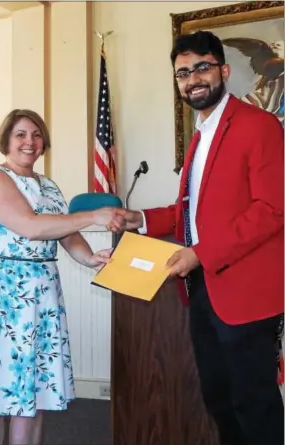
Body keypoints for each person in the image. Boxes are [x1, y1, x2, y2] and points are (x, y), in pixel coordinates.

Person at [118, 31, 284, 445]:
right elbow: (190, 213)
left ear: (223, 70)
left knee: (254, 403)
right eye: (182, 73)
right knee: (218, 399)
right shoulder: (200, 135)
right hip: (202, 290)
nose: (192, 79)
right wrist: (138, 218)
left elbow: (272, 209)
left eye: (202, 67)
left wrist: (200, 254)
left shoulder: (258, 125)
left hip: (247, 293)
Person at [0, 109, 123, 445]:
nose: (29, 142)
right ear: (6, 140)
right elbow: (32, 226)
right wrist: (92, 215)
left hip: (41, 300)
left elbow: (64, 233)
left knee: (33, 398)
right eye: (20, 134)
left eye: (35, 135)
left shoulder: (48, 185)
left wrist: (90, 257)